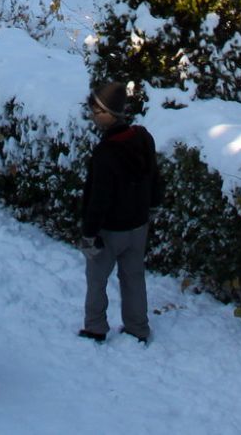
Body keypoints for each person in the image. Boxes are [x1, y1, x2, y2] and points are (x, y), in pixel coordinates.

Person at [79, 80, 164, 344]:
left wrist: (89, 233)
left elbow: (98, 198)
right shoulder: (142, 138)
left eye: (96, 112)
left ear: (109, 113)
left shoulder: (106, 153)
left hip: (110, 230)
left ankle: (95, 327)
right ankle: (137, 327)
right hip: (138, 226)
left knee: (97, 279)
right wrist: (153, 205)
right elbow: (154, 175)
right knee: (134, 278)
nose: (93, 117)